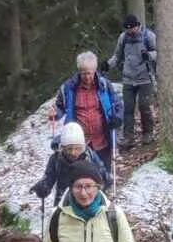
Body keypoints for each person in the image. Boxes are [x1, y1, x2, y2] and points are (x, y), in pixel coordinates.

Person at [50, 51, 123, 171]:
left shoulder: (104, 85)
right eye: (83, 73)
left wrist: (118, 118)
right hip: (78, 142)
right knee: (81, 174)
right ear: (79, 71)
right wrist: (55, 113)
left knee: (102, 174)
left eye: (89, 73)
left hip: (102, 139)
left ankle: (105, 189)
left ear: (95, 71)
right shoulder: (69, 88)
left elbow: (118, 104)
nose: (87, 77)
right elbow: (59, 107)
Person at [105, 13, 157, 150]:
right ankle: (129, 137)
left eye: (132, 28)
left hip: (145, 78)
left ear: (138, 26)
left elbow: (159, 52)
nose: (130, 31)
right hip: (128, 79)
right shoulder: (123, 38)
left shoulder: (148, 36)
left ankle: (148, 133)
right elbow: (117, 56)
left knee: (144, 107)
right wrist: (108, 65)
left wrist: (149, 55)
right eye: (127, 29)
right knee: (128, 109)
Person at [33, 120, 108, 205]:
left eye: (77, 148)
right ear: (63, 147)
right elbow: (49, 177)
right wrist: (44, 187)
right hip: (63, 199)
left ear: (83, 146)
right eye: (69, 149)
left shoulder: (90, 156)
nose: (73, 152)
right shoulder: (56, 158)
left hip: (87, 197)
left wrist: (105, 180)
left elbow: (102, 174)